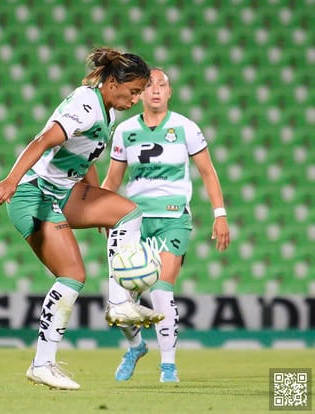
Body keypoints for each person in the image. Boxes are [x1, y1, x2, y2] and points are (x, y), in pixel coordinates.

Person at [0, 48, 165, 390]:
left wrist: (98, 199)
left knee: (127, 212)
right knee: (72, 275)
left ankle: (119, 303)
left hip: (64, 190)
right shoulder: (84, 107)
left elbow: (86, 158)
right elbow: (43, 140)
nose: (136, 99)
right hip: (33, 193)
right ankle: (42, 364)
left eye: (140, 93)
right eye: (133, 91)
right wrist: (11, 180)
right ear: (113, 83)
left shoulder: (108, 112)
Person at [101, 68, 230, 383]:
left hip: (173, 219)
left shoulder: (186, 128)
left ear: (169, 93)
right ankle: (135, 347)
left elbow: (208, 172)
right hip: (132, 221)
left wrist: (220, 213)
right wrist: (102, 210)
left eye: (163, 85)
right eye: (150, 85)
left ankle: (168, 367)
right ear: (141, 93)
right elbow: (114, 178)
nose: (156, 90)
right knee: (118, 303)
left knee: (160, 289)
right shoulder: (125, 131)